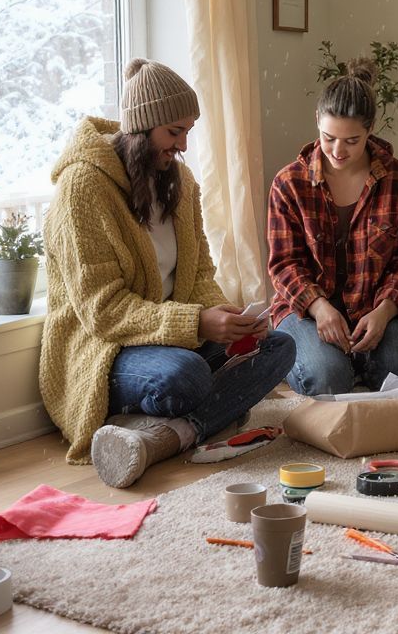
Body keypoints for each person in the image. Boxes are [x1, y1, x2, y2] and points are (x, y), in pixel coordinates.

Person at [40, 59, 295, 488]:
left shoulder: (180, 184)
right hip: (106, 349)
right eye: (174, 133)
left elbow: (198, 274)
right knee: (186, 376)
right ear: (142, 128)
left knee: (279, 347)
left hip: (172, 338)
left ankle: (167, 433)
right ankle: (206, 412)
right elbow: (103, 311)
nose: (182, 146)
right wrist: (197, 322)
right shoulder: (83, 189)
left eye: (187, 132)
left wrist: (224, 316)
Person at [267, 58, 398, 396]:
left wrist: (385, 311)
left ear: (371, 129)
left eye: (352, 141)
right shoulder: (288, 183)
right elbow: (284, 265)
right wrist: (319, 307)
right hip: (306, 310)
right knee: (327, 380)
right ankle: (337, 364)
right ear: (316, 122)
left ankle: (356, 361)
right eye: (328, 138)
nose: (338, 151)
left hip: (377, 305)